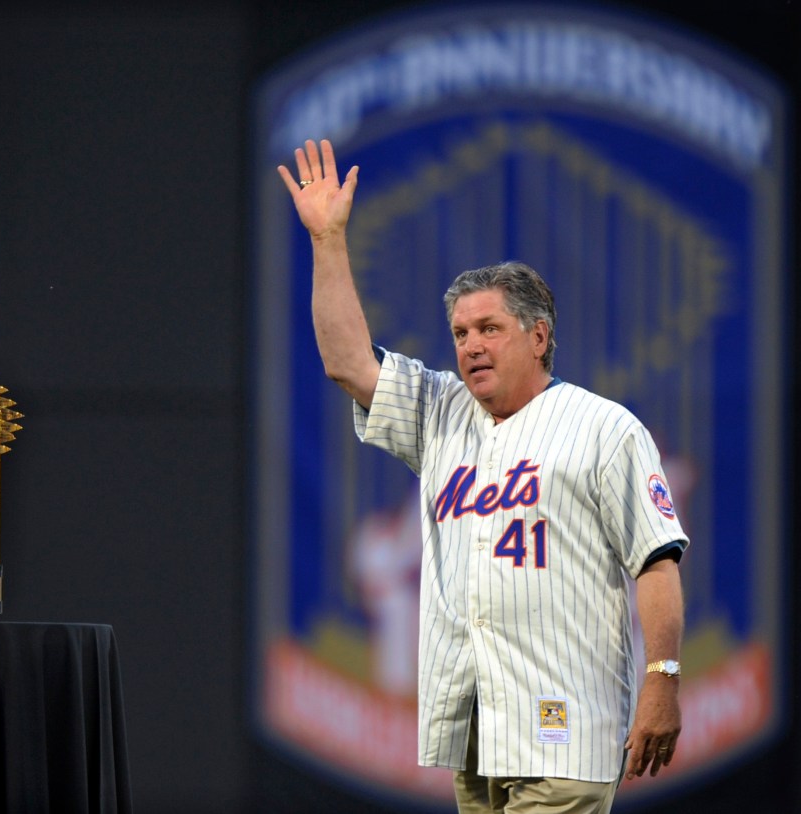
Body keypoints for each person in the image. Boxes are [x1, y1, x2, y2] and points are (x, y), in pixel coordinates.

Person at [277, 139, 687, 813]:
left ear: (539, 335)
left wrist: (663, 678)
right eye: (461, 333)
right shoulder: (441, 410)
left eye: (489, 328)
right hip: (476, 727)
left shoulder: (605, 429)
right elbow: (349, 363)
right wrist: (327, 239)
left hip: (566, 723)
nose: (470, 345)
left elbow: (656, 562)